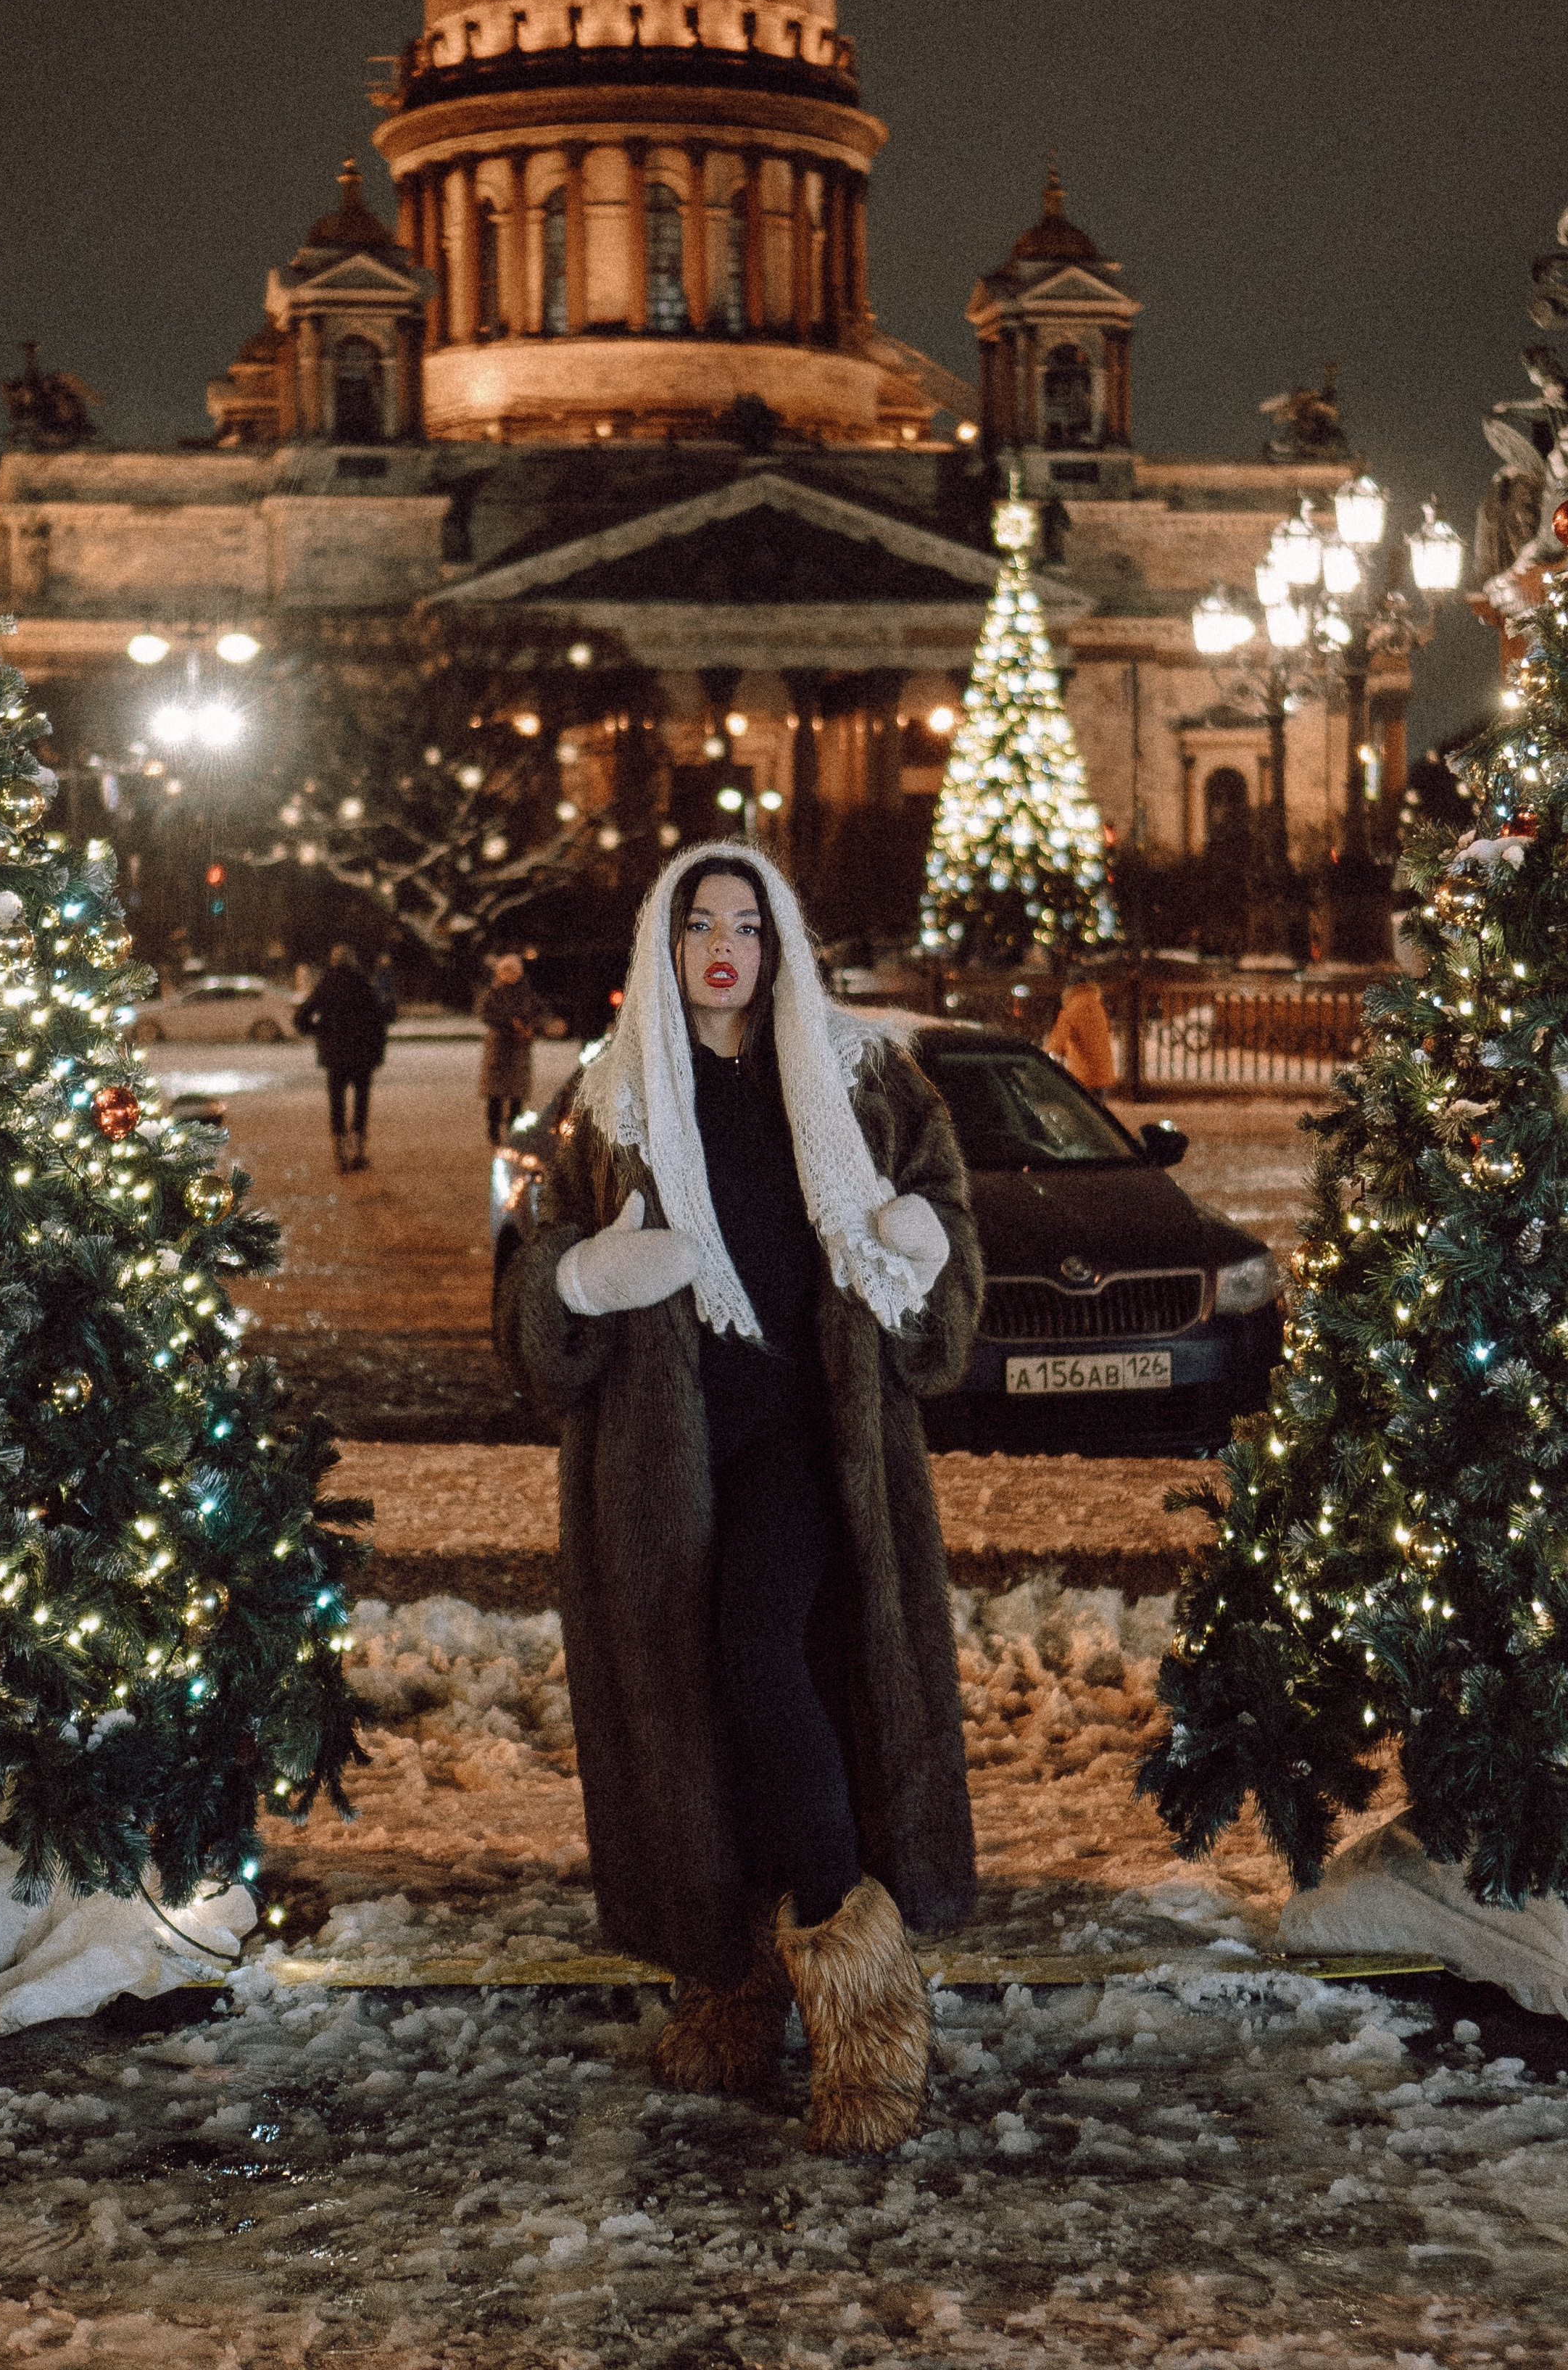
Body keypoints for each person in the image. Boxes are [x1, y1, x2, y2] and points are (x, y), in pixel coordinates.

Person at [497, 843, 981, 2154]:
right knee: (701, 1704)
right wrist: (581, 1279)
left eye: (749, 925)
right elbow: (529, 1292)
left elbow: (941, 1235)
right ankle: (731, 1982)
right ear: (663, 944)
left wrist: (926, 1245)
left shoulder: (865, 1080)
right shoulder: (605, 1104)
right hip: (663, 1464)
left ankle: (863, 1995)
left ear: (782, 943)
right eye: (700, 924)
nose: (725, 949)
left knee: (763, 1656)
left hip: (813, 1446)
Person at [294, 944, 389, 1172]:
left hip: (335, 1056)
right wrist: (378, 1052)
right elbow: (379, 1020)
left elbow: (301, 1018)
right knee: (361, 1103)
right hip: (362, 1054)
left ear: (334, 961)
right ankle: (358, 1151)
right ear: (353, 961)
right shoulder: (363, 984)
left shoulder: (327, 985)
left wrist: (319, 1032)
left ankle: (340, 1154)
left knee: (337, 1104)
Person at [478, 951, 538, 1145]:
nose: (511, 975)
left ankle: (514, 1131)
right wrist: (510, 1023)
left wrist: (531, 1027)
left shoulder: (526, 991)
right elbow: (485, 1014)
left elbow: (536, 1012)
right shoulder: (494, 992)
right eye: (507, 971)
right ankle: (494, 1130)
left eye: (514, 971)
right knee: (495, 1094)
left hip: (519, 1047)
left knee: (516, 1095)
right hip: (499, 1047)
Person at [1043, 975, 1117, 1090]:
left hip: (1084, 1075)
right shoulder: (1098, 1007)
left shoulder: (1072, 1009)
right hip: (1104, 1073)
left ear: (1069, 990)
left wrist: (1045, 1055)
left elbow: (1058, 1041)